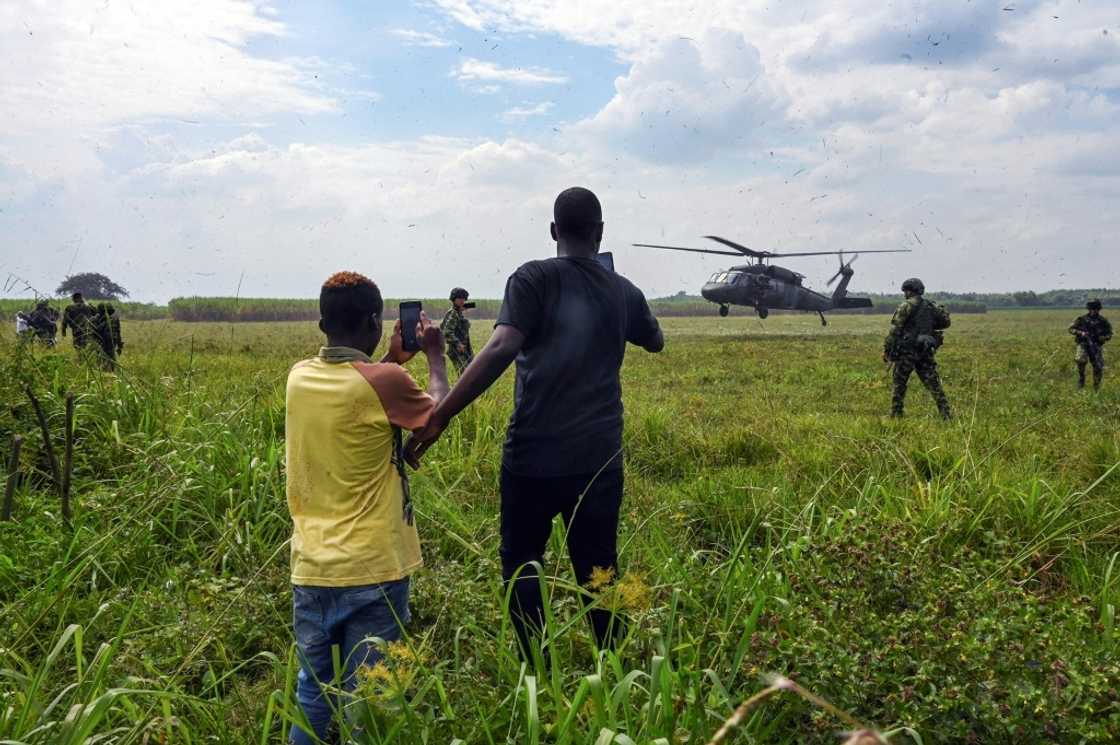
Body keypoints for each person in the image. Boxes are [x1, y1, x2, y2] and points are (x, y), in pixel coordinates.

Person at [407, 187, 664, 660]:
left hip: (533, 457)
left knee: (523, 562)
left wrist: (440, 416)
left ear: (553, 232)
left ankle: (535, 667)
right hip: (599, 460)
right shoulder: (623, 290)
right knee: (599, 566)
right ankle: (614, 665)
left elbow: (503, 347)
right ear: (601, 233)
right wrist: (615, 301)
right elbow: (655, 341)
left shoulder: (532, 278)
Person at [285, 271, 448, 745]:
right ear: (376, 322)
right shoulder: (387, 382)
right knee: (371, 696)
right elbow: (432, 413)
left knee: (312, 690)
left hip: (311, 568)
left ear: (321, 324)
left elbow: (359, 388)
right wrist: (434, 357)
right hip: (374, 567)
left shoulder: (299, 378)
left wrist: (392, 359)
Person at [883, 277, 952, 419]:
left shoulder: (906, 306)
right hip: (925, 351)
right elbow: (945, 322)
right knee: (933, 383)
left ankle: (896, 414)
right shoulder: (930, 306)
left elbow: (895, 330)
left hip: (907, 352)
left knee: (899, 383)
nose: (904, 294)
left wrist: (887, 350)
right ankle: (945, 413)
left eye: (905, 291)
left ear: (909, 291)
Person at [1069, 299, 1112, 390]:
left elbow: (1109, 333)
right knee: (1081, 360)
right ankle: (1081, 380)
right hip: (1083, 344)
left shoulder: (1103, 321)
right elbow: (1071, 329)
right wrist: (1081, 333)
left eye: (1096, 309)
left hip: (1096, 345)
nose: (1094, 311)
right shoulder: (1081, 319)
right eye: (1092, 309)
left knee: (1098, 366)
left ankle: (1096, 387)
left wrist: (1104, 337)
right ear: (1089, 309)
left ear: (1099, 309)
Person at [441, 287, 474, 372]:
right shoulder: (453, 313)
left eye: (463, 299)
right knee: (464, 375)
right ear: (454, 299)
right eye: (459, 298)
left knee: (470, 372)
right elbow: (446, 332)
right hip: (457, 350)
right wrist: (458, 343)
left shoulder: (458, 313)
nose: (462, 301)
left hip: (464, 349)